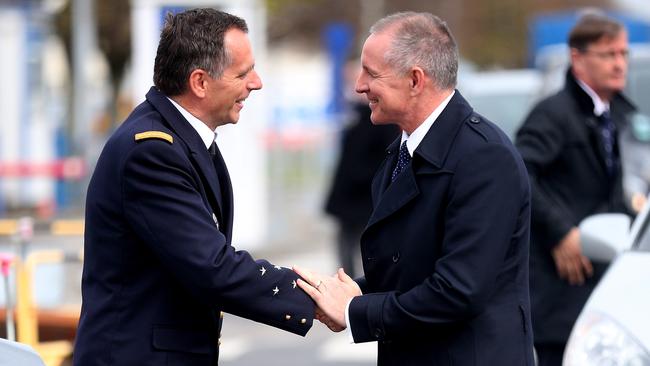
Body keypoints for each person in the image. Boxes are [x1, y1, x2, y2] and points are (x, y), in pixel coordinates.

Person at [73, 8, 314, 366]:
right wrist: (317, 297)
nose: (257, 83)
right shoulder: (151, 151)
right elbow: (212, 265)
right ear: (200, 82)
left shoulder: (179, 140)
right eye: (243, 73)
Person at [295, 11, 535, 365]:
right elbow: (410, 269)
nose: (360, 86)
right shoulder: (405, 151)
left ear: (415, 80)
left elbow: (458, 290)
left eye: (371, 74)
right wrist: (350, 291)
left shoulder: (484, 157)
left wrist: (354, 311)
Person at [514, 11, 636, 366]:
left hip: (607, 282)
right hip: (561, 287)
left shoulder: (618, 116)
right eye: (608, 54)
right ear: (578, 59)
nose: (619, 64)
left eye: (623, 54)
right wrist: (561, 234)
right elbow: (519, 174)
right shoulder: (553, 114)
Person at [324, 99, 397, 278]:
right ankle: (349, 284)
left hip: (365, 200)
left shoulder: (381, 123)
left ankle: (363, 288)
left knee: (367, 249)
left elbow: (384, 162)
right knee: (347, 248)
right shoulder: (359, 118)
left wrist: (360, 177)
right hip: (351, 199)